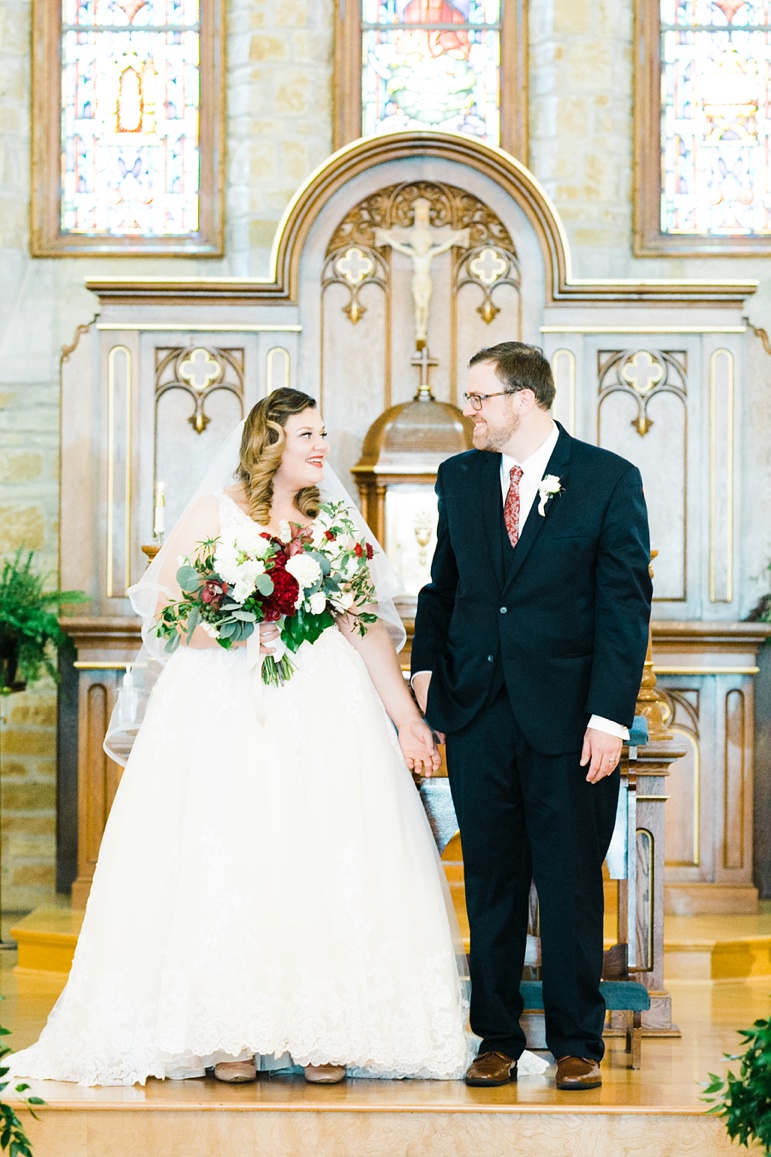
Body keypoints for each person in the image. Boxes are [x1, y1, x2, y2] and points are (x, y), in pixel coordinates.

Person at [9, 388, 498, 1088]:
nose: (321, 445)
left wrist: (406, 718)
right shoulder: (216, 511)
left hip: (325, 705)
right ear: (271, 441)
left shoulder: (332, 521)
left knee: (323, 854)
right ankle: (228, 1031)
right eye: (307, 434)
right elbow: (168, 611)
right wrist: (229, 621)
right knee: (231, 852)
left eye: (323, 432)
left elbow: (365, 627)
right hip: (226, 699)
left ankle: (325, 1030)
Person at [411, 343, 652, 1091]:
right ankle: (496, 1035)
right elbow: (440, 588)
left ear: (525, 398)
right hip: (480, 713)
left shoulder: (608, 480)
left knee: (571, 878)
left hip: (571, 719)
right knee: (490, 880)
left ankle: (578, 1038)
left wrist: (609, 718)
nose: (469, 411)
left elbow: (623, 605)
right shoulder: (460, 477)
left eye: (479, 398)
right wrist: (425, 672)